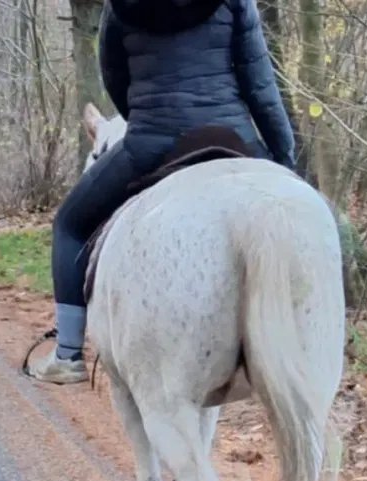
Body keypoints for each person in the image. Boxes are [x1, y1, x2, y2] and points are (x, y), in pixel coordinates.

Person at [25, 0, 299, 385]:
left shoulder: (119, 6)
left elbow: (116, 79)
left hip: (152, 142)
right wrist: (283, 159)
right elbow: (260, 86)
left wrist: (147, 119)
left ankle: (68, 352)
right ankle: (308, 337)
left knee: (69, 224)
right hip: (234, 136)